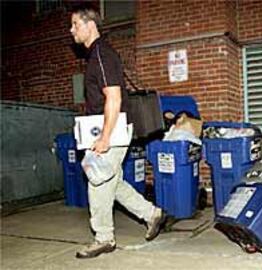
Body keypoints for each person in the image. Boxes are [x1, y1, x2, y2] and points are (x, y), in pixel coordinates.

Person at [70, 7, 166, 259]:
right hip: (109, 127)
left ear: (90, 25)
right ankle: (152, 213)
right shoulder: (96, 55)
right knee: (113, 181)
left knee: (97, 180)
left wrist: (104, 137)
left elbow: (113, 97)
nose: (72, 30)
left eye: (75, 24)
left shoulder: (102, 53)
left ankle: (104, 238)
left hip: (111, 129)